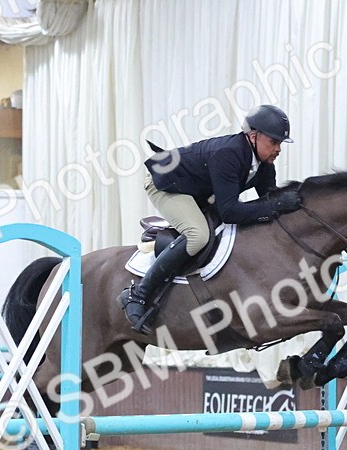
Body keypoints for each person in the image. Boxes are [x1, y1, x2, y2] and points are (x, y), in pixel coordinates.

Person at [119, 104, 303, 333]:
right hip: (167, 185)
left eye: (280, 144)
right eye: (274, 142)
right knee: (198, 236)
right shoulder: (229, 153)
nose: (278, 149)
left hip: (199, 189)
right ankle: (137, 294)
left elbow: (269, 198)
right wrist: (275, 205)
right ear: (253, 137)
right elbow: (230, 212)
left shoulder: (263, 163)